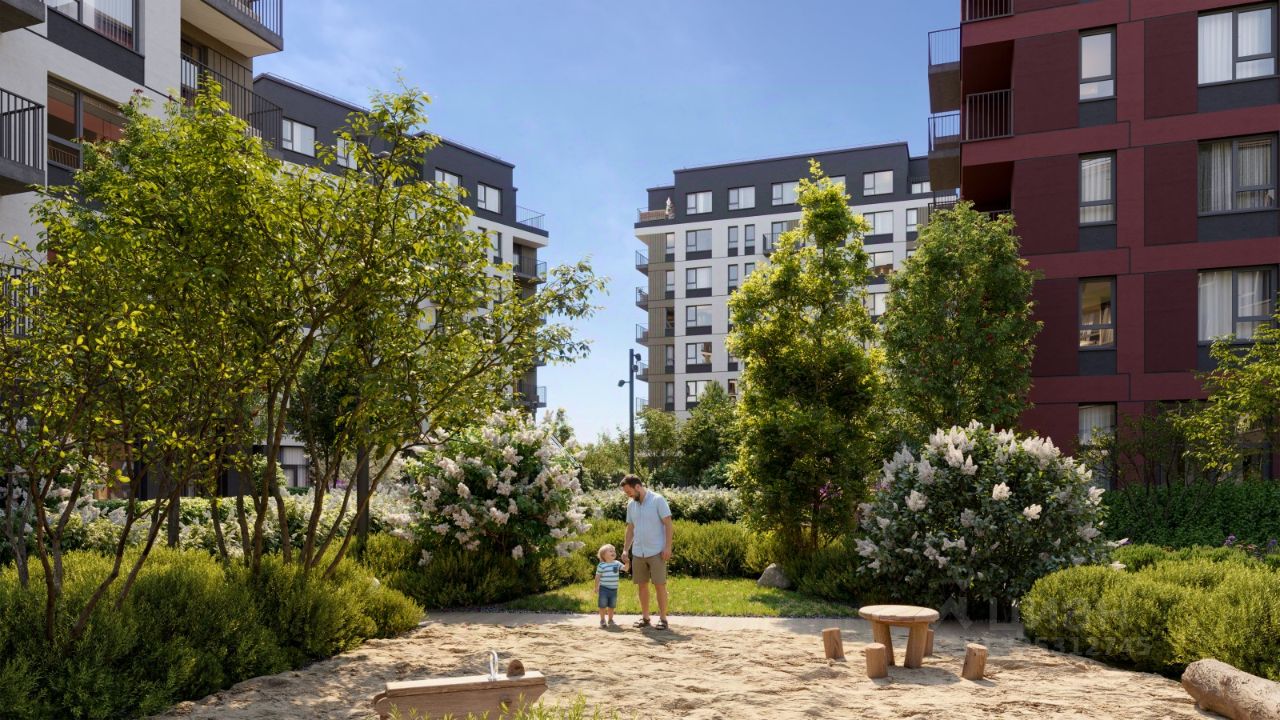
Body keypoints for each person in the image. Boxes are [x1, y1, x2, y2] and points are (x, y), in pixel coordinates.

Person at [619, 475, 673, 629]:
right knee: (641, 586)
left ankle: (663, 619)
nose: (628, 495)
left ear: (637, 487)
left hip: (657, 551)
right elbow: (630, 528)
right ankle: (645, 618)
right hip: (638, 552)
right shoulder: (631, 505)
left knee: (660, 585)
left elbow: (668, 524)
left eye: (629, 492)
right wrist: (625, 549)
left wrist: (668, 547)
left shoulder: (658, 500)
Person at [594, 543, 626, 628]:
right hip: (604, 588)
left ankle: (610, 619)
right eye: (610, 551)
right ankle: (602, 620)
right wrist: (596, 587)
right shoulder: (601, 565)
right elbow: (597, 576)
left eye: (614, 551)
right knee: (602, 605)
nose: (613, 552)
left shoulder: (617, 563)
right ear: (603, 555)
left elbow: (625, 568)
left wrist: (627, 562)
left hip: (614, 589)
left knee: (612, 606)